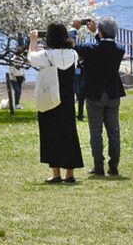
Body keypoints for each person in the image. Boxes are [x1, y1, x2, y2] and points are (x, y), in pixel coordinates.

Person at [27, 23, 85, 183]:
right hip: (67, 99)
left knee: (50, 134)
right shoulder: (73, 54)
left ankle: (56, 173)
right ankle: (70, 173)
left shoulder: (46, 55)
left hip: (50, 98)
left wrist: (33, 41)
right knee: (69, 134)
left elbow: (31, 59)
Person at [74, 16, 126, 176]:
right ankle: (114, 166)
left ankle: (98, 166)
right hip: (112, 92)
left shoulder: (91, 49)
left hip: (94, 93)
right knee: (114, 131)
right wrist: (99, 33)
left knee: (96, 132)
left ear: (100, 31)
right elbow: (105, 43)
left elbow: (72, 44)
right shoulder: (119, 49)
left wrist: (75, 29)